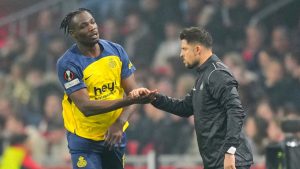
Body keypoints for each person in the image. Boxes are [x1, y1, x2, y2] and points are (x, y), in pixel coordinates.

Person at [137, 27, 254, 169]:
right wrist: (153, 98)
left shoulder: (217, 74)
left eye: (184, 49)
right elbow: (185, 108)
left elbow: (236, 111)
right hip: (217, 161)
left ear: (197, 49)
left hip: (230, 162)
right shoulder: (204, 76)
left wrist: (230, 152)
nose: (181, 54)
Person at [56, 8, 155, 169]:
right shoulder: (68, 64)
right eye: (83, 26)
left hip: (114, 135)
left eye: (92, 22)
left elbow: (133, 94)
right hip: (84, 139)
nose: (91, 27)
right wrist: (128, 100)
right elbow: (86, 107)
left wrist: (120, 123)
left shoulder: (116, 50)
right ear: (73, 34)